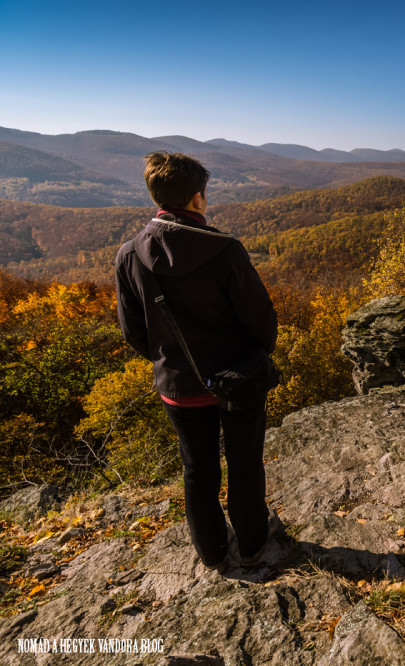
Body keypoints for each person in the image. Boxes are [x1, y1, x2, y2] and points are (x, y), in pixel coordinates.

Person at [115, 151, 281, 571]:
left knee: (197, 469)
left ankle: (211, 551)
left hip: (179, 388)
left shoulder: (129, 255)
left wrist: (169, 363)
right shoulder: (224, 250)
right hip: (238, 380)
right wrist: (256, 356)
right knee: (244, 463)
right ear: (197, 199)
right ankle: (252, 544)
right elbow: (261, 321)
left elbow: (134, 333)